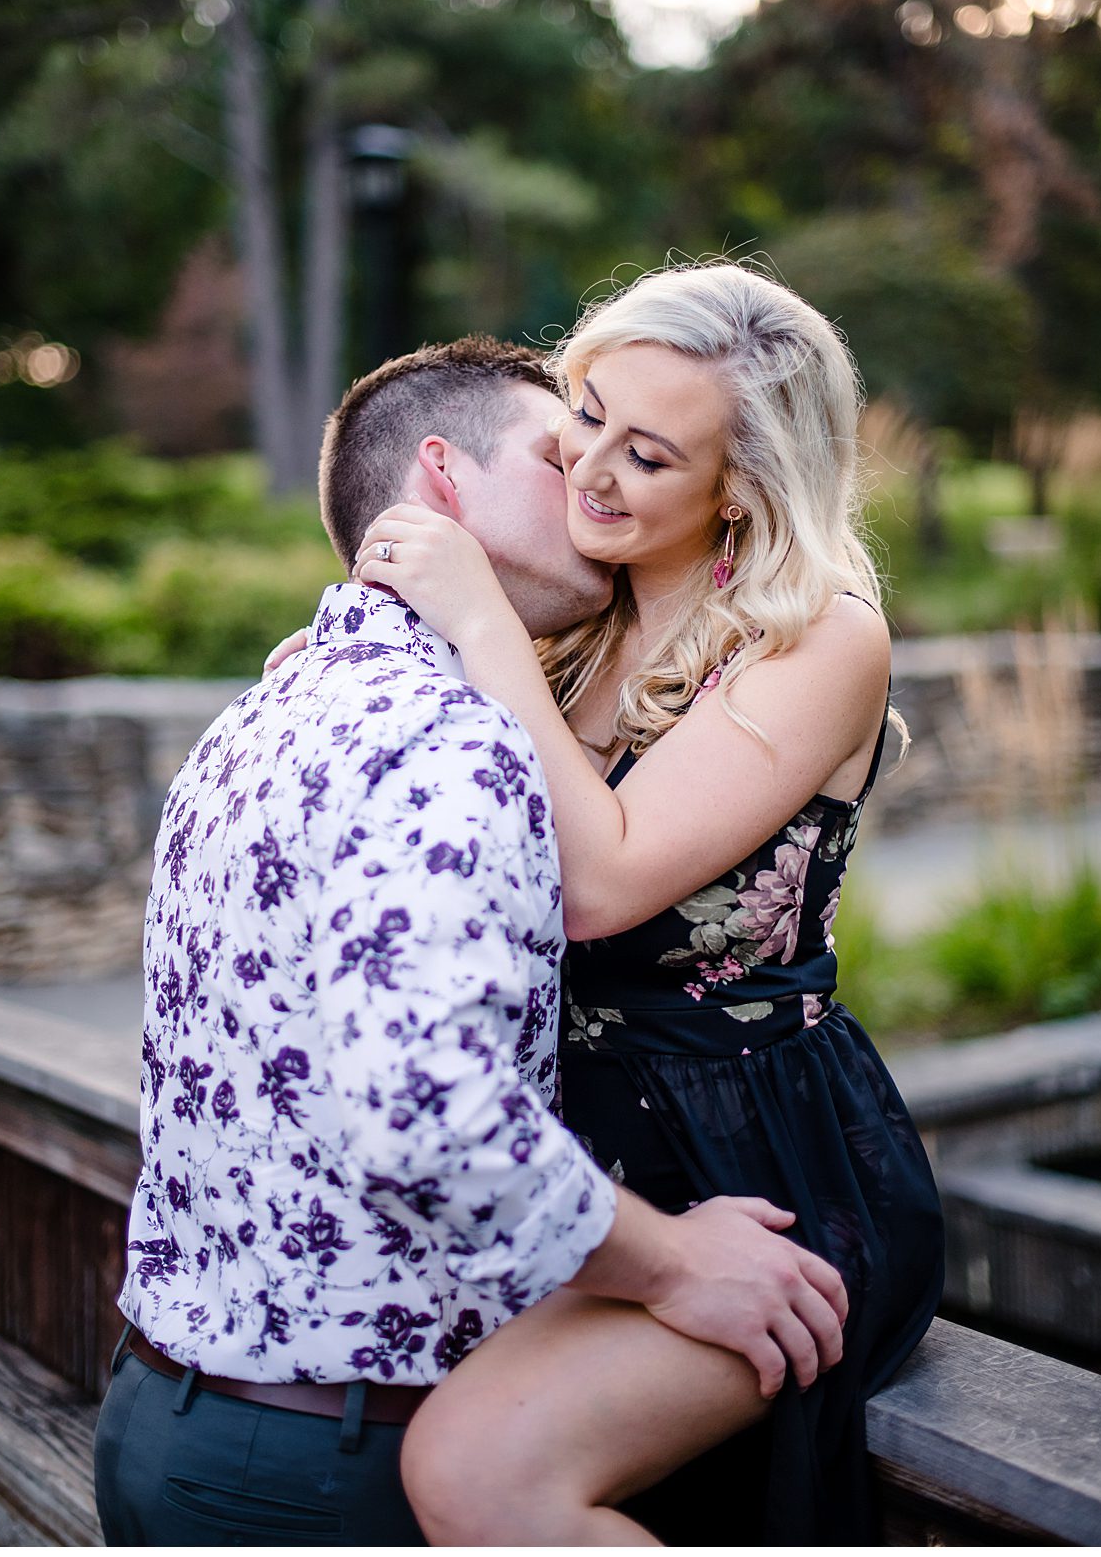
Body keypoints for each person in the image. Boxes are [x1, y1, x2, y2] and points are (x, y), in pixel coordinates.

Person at [94, 334, 852, 1548]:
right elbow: (425, 1113)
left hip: (160, 1413)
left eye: (636, 450)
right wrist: (669, 1266)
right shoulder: (452, 743)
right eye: (565, 448)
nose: (597, 484)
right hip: (328, 1464)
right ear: (446, 482)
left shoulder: (258, 717)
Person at [344, 265, 944, 1545]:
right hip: (585, 1156)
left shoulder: (818, 638)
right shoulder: (571, 615)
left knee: (478, 1470)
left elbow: (603, 884)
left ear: (741, 485)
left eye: (649, 454)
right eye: (586, 416)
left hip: (762, 1160)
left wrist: (472, 622)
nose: (593, 473)